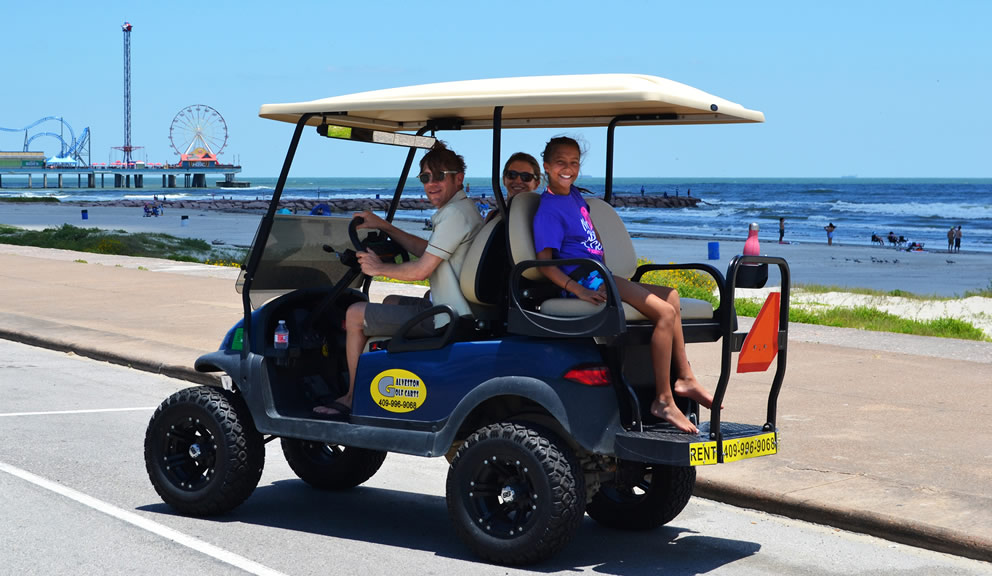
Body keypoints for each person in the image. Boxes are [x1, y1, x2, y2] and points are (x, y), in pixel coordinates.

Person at [532, 136, 714, 433]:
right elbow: (546, 263)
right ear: (547, 166)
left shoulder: (575, 196)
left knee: (672, 296)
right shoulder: (549, 210)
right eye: (561, 163)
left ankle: (685, 377)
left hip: (600, 273)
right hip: (586, 280)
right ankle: (664, 400)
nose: (568, 169)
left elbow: (591, 236)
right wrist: (578, 289)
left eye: (574, 163)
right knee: (665, 313)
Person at [313, 142, 483, 417]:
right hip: (454, 307)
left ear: (458, 178)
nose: (431, 184)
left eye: (439, 176)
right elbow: (425, 250)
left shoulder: (453, 214)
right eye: (426, 178)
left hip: (448, 317)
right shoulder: (462, 209)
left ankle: (352, 397)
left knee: (355, 314)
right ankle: (380, 381)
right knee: (390, 300)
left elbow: (420, 270)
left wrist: (378, 268)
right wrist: (384, 226)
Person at [487, 152, 541, 224]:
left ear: (536, 184)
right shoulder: (492, 216)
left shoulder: (542, 217)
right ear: (504, 180)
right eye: (512, 175)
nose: (518, 181)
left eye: (526, 177)